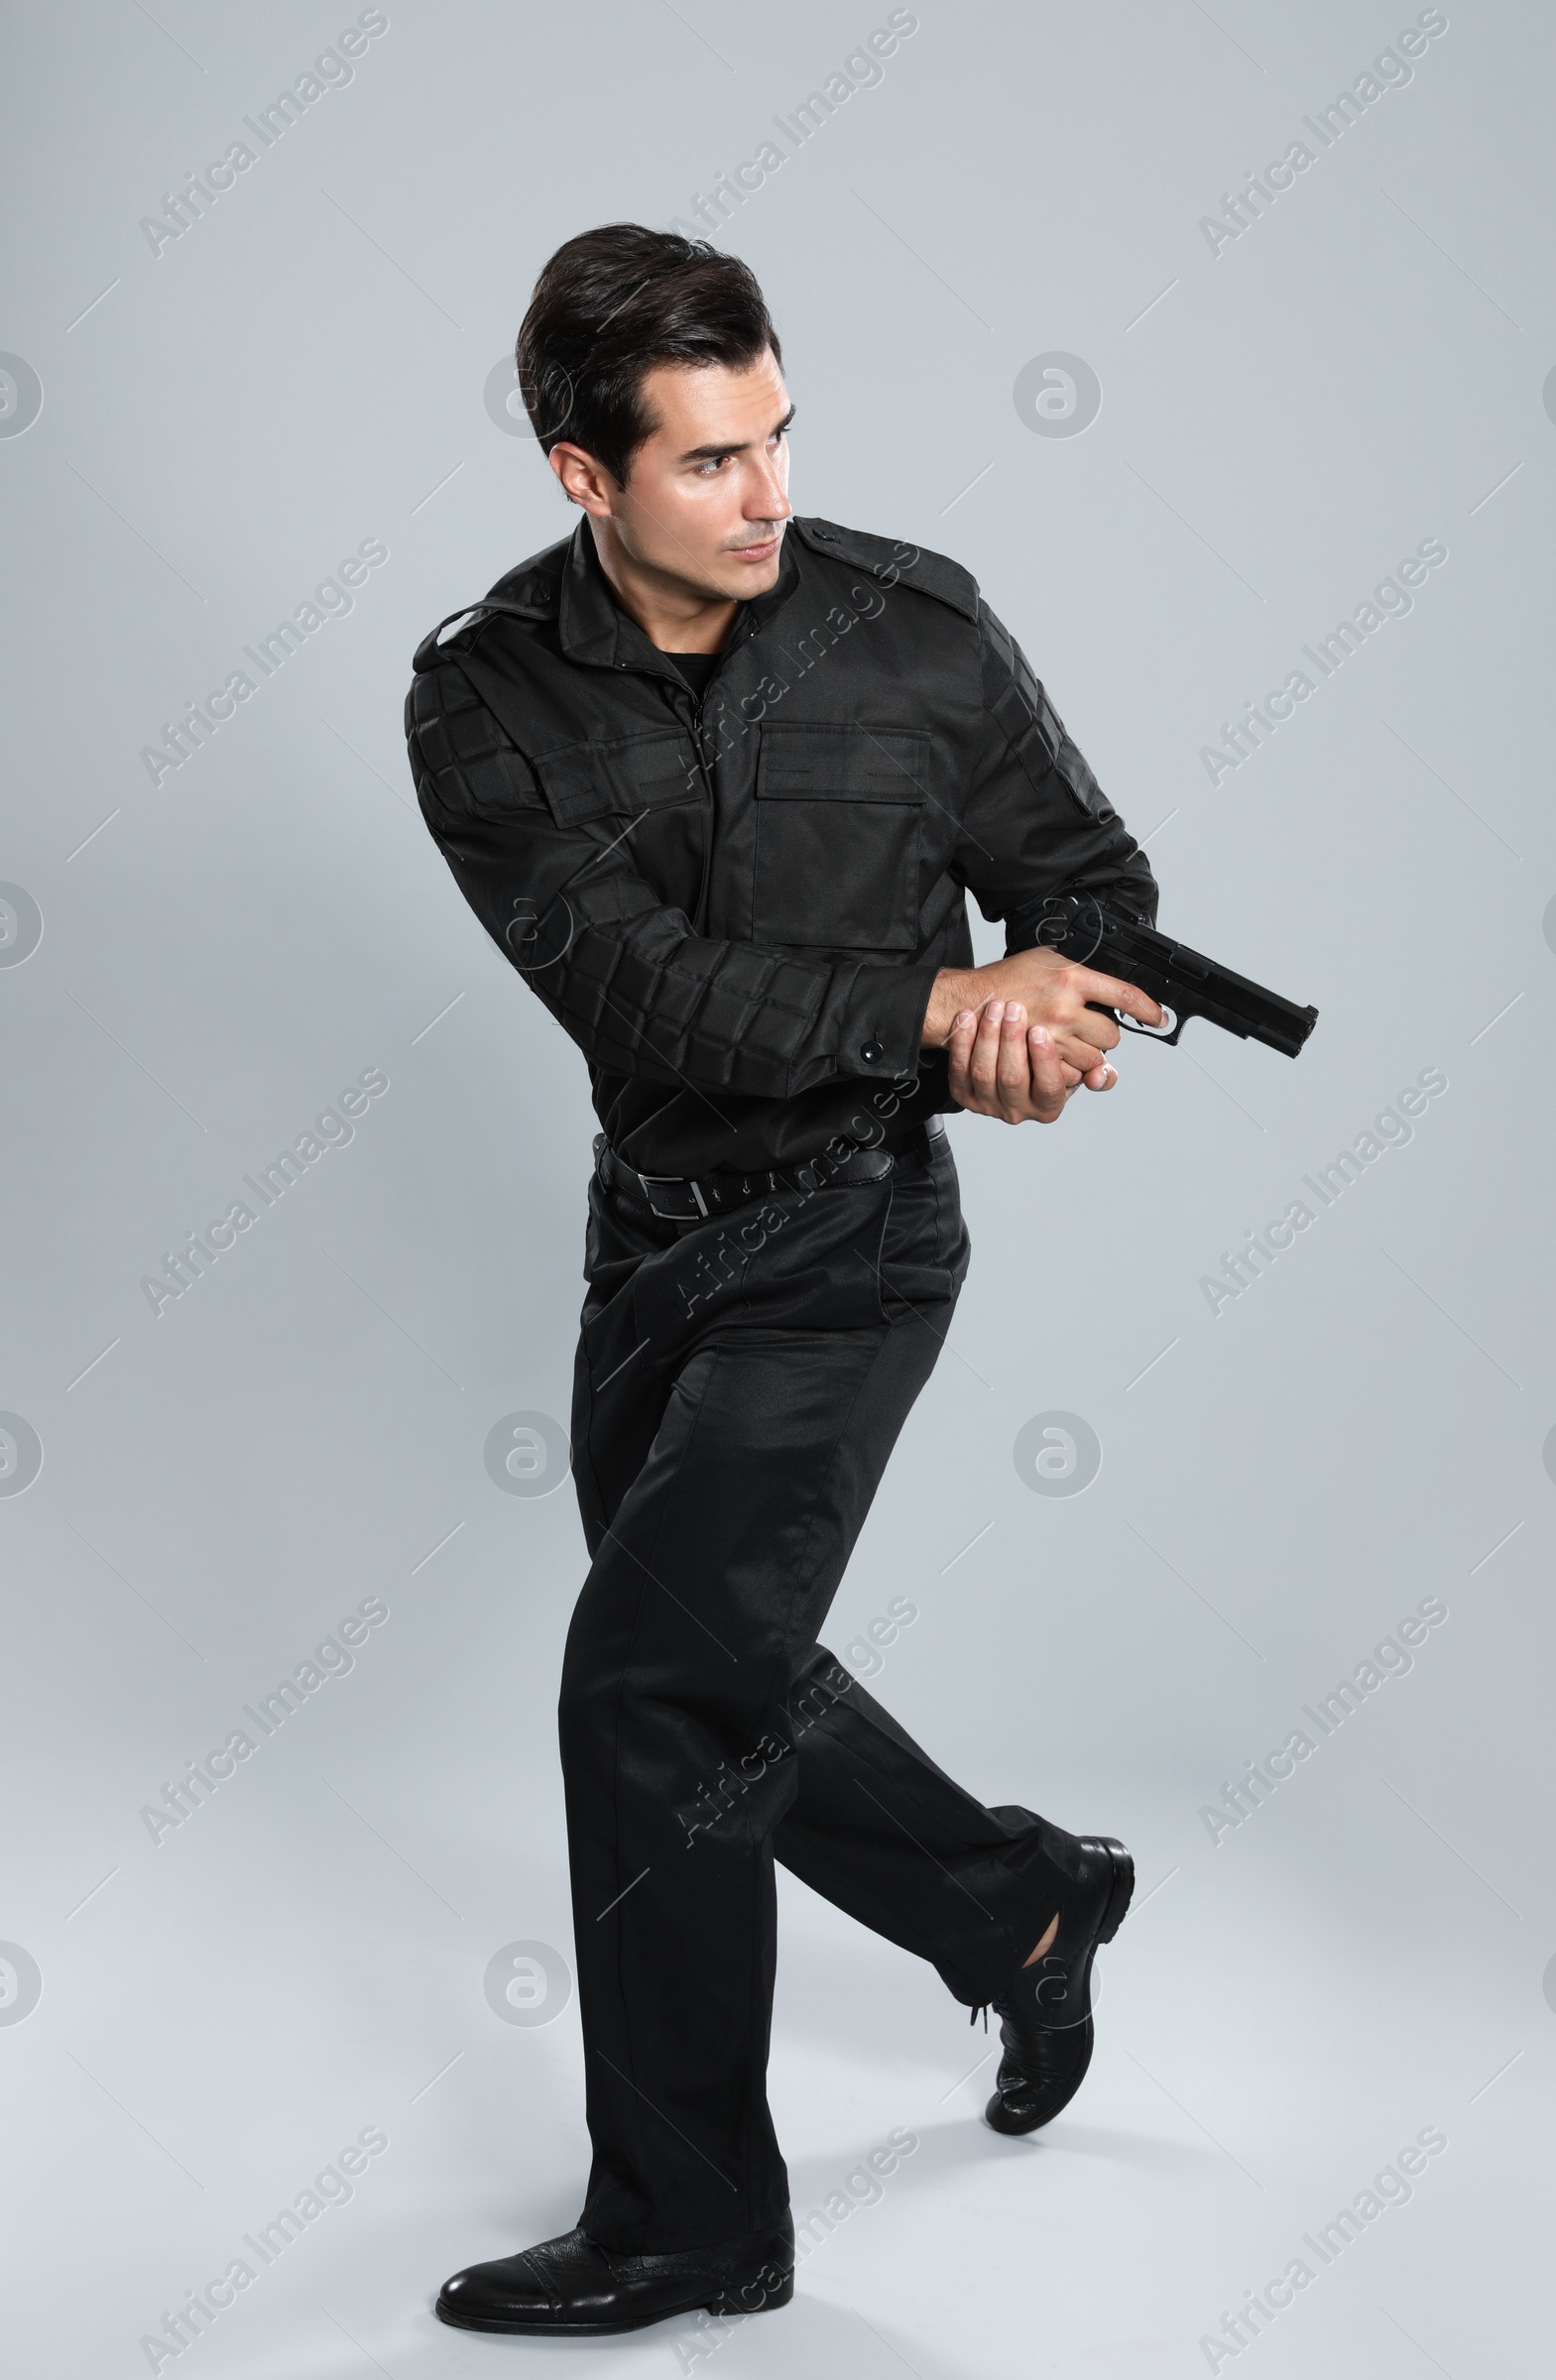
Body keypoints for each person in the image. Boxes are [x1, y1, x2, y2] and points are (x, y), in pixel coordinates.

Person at [405, 222, 1162, 2339]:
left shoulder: (917, 629)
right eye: (708, 463)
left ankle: (688, 2222)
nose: (765, 498)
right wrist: (946, 1004)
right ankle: (1017, 1906)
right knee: (713, 1676)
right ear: (582, 475)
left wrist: (1040, 1022)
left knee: (645, 1687)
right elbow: (645, 996)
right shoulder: (477, 697)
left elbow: (1085, 901)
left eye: (778, 441)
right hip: (648, 1239)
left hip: (851, 1238)